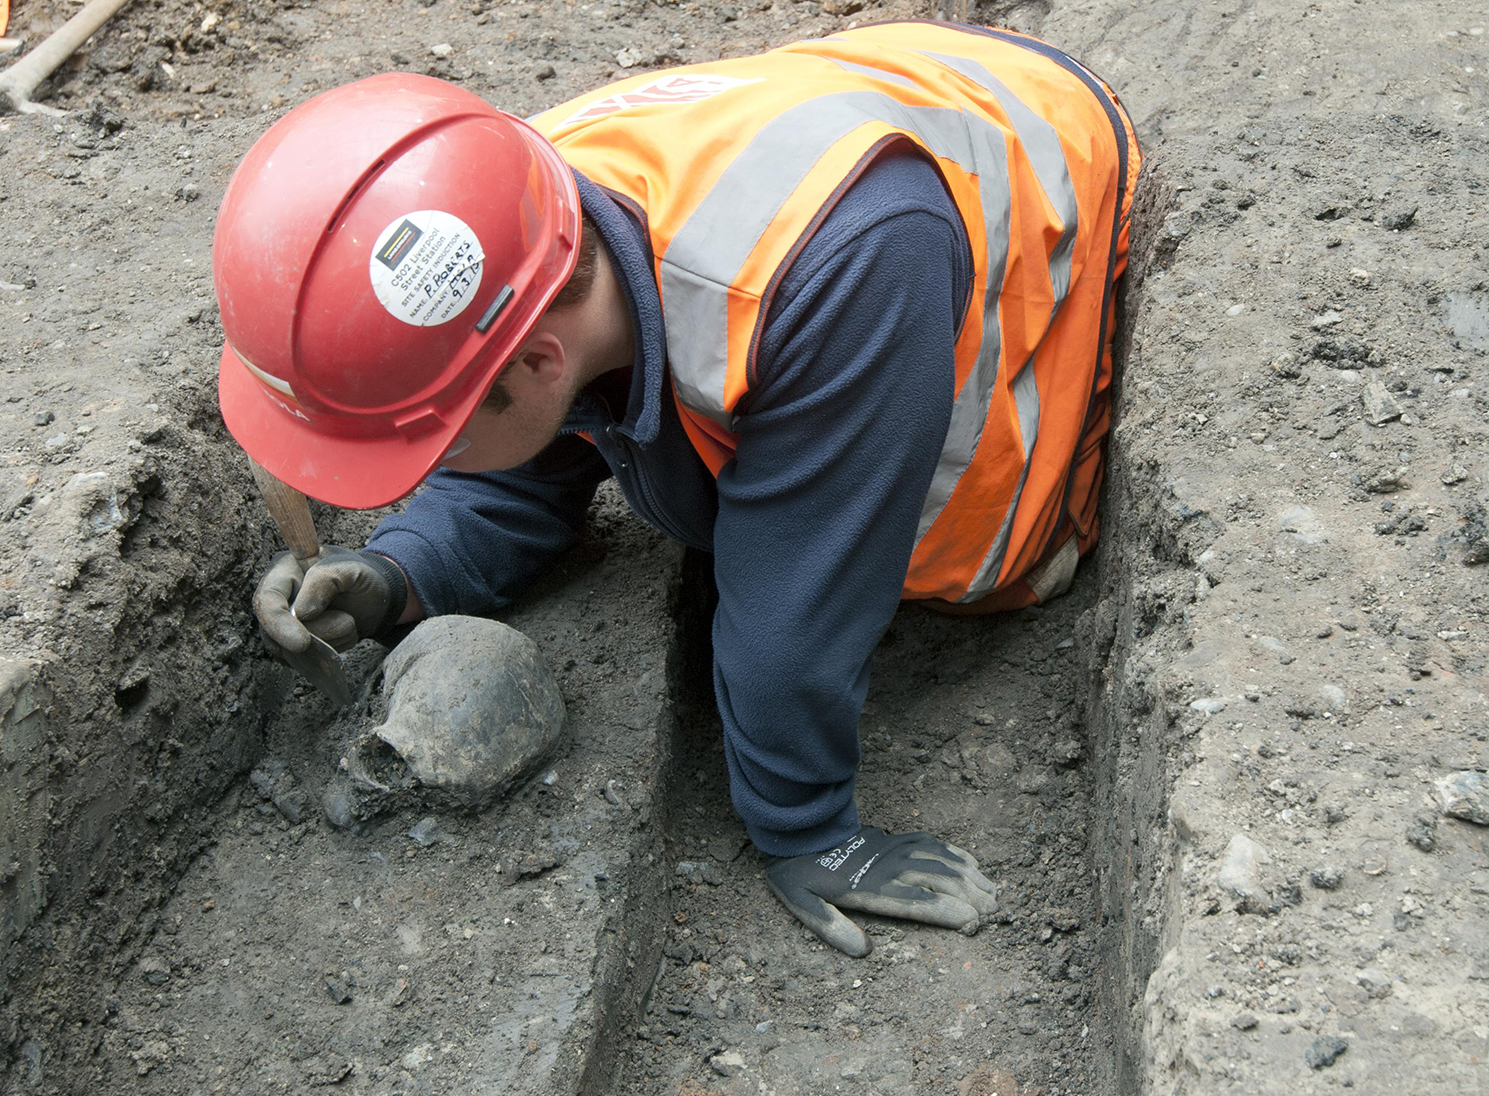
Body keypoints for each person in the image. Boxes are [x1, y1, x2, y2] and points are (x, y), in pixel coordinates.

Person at [215, 20, 1139, 957]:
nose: (418, 471)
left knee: (977, 551)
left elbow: (798, 598)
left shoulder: (843, 269)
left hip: (1032, 150)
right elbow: (529, 461)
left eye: (425, 445)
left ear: (539, 360)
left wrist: (808, 826)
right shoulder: (516, 225)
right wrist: (395, 571)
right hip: (893, 91)